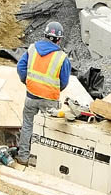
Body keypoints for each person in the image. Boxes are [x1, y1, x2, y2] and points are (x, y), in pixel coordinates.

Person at [15, 21, 71, 166]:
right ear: (59, 39)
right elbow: (64, 81)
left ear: (45, 35)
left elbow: (21, 67)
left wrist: (27, 82)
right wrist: (52, 89)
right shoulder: (61, 57)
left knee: (27, 126)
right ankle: (42, 163)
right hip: (49, 99)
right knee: (48, 130)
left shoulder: (32, 49)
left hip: (31, 95)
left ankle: (23, 158)